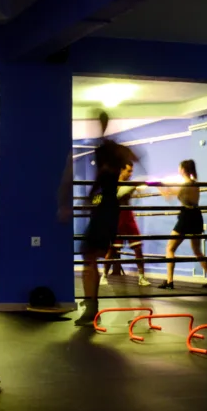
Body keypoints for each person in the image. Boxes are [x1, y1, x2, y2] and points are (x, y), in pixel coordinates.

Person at [60, 111, 138, 326]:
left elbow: (104, 177)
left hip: (106, 212)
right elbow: (102, 180)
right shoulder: (107, 149)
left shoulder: (108, 152)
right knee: (89, 257)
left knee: (89, 257)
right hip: (104, 210)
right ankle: (91, 306)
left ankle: (92, 308)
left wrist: (88, 198)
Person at [156, 159, 207, 290]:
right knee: (197, 251)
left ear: (183, 169)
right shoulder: (195, 184)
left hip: (186, 216)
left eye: (179, 168)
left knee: (170, 248)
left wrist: (159, 186)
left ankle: (169, 281)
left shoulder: (183, 185)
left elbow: (168, 196)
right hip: (197, 215)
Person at [101, 161, 152, 287]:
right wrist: (134, 185)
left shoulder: (129, 183)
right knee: (112, 250)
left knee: (138, 248)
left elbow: (133, 190)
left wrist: (138, 187)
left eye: (131, 171)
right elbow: (118, 195)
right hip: (117, 217)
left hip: (128, 216)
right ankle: (104, 275)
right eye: (128, 171)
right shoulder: (114, 183)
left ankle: (141, 277)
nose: (131, 173)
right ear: (121, 170)